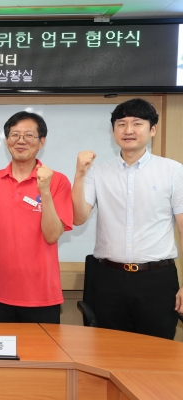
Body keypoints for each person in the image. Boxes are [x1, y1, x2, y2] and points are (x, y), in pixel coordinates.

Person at [72, 98, 183, 339]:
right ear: (113, 131)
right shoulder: (97, 172)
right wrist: (79, 175)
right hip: (109, 278)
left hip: (157, 279)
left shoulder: (173, 171)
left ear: (152, 129)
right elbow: (78, 218)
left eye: (137, 123)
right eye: (121, 124)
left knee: (157, 352)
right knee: (110, 351)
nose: (128, 130)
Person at [0, 111, 73, 323]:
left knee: (43, 347)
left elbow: (52, 235)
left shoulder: (58, 181)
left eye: (29, 135)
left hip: (42, 295)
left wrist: (44, 191)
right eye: (15, 135)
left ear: (42, 141)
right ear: (7, 141)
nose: (21, 141)